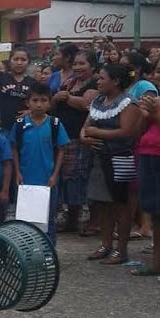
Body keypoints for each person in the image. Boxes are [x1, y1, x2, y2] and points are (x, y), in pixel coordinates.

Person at [82, 64, 140, 265]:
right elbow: (86, 126)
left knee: (121, 206)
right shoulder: (98, 100)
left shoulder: (128, 103)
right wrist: (85, 136)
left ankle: (121, 250)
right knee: (102, 205)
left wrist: (95, 134)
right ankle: (105, 245)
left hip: (119, 159)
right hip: (99, 158)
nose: (98, 81)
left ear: (115, 81)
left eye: (102, 78)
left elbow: (126, 132)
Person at [10, 83, 70, 244]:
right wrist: (17, 173)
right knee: (24, 219)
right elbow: (14, 148)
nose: (39, 104)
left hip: (47, 180)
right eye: (35, 100)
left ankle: (48, 253)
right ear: (27, 102)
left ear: (49, 103)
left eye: (43, 100)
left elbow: (61, 150)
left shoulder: (54, 124)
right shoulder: (21, 124)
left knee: (48, 219)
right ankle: (27, 251)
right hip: (25, 179)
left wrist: (55, 175)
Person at [52, 50, 99, 233]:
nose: (77, 68)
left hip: (81, 137)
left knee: (80, 178)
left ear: (93, 66)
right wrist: (57, 98)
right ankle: (71, 218)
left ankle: (90, 221)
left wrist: (67, 98)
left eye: (82, 64)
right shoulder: (70, 81)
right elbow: (56, 99)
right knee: (68, 178)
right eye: (76, 64)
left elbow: (87, 104)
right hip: (65, 136)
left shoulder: (95, 83)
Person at [131, 94, 160, 276]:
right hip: (148, 154)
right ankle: (156, 263)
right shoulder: (156, 100)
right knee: (155, 212)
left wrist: (152, 113)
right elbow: (136, 133)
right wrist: (143, 114)